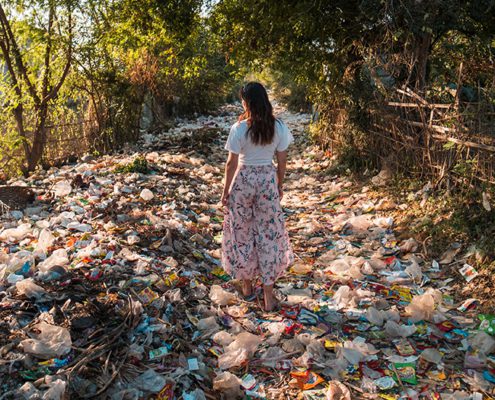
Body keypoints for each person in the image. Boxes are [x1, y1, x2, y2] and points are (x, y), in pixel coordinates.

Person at [221, 82, 294, 311]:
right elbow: (282, 161)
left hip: (243, 182)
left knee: (242, 233)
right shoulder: (278, 127)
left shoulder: (239, 128)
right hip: (266, 181)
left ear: (247, 102)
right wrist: (279, 184)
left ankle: (247, 287)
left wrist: (225, 192)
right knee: (268, 235)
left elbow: (231, 163)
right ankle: (269, 295)